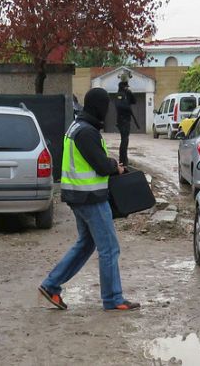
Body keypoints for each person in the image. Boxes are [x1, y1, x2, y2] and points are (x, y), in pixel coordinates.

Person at [39, 88, 140, 312]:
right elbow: (101, 166)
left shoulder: (79, 127)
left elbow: (94, 160)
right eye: (105, 106)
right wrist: (116, 166)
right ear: (98, 107)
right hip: (90, 198)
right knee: (110, 248)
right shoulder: (86, 132)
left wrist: (111, 164)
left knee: (86, 244)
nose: (107, 111)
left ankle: (51, 285)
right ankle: (113, 299)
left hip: (80, 196)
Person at [114, 81, 137, 166]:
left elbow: (134, 101)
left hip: (127, 120)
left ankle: (124, 160)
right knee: (124, 140)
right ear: (122, 87)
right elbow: (119, 106)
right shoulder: (119, 95)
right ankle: (122, 160)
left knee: (125, 140)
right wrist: (127, 107)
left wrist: (130, 93)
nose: (127, 88)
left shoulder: (127, 95)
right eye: (126, 87)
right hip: (122, 120)